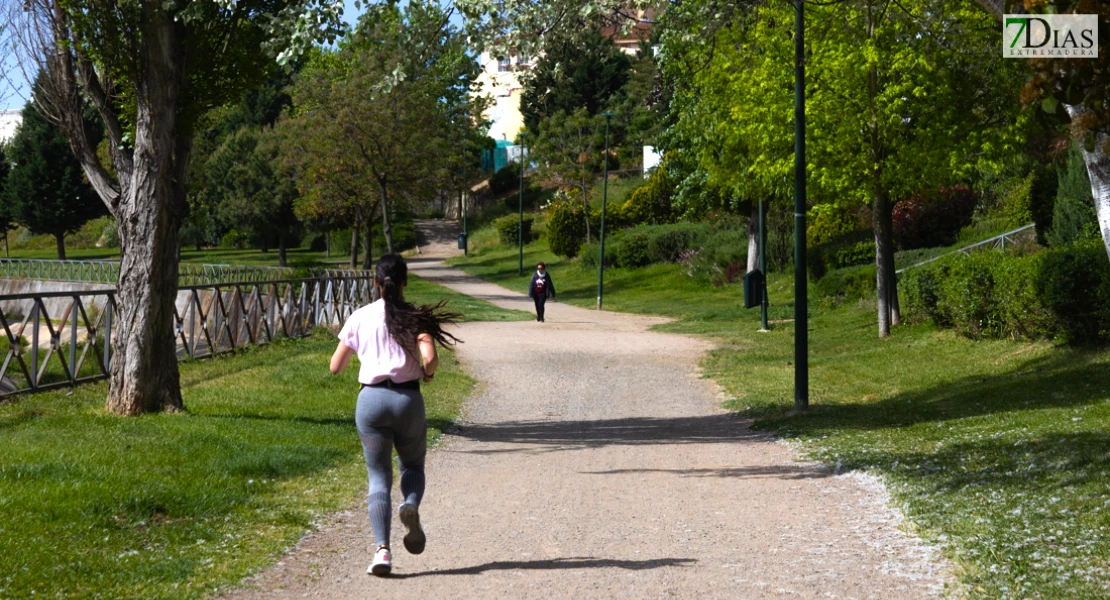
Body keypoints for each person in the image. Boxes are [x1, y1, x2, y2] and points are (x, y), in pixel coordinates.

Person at [329, 254, 460, 577]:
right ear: (405, 283)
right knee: (412, 465)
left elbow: (336, 366)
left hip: (370, 402)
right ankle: (410, 503)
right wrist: (427, 373)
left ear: (375, 282)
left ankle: (382, 552)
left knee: (378, 476)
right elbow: (429, 359)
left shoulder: (359, 316)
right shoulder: (415, 317)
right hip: (407, 400)